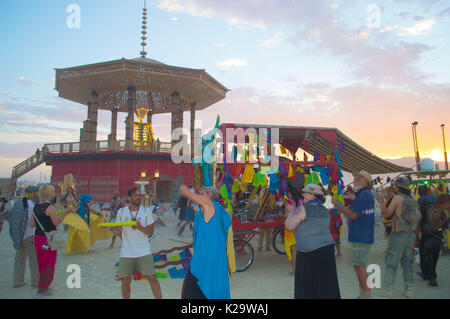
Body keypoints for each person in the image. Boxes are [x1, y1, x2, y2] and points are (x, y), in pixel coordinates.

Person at [285, 184, 340, 299]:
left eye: (306, 192)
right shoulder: (325, 210)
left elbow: (289, 226)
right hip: (327, 249)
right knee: (326, 283)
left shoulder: (303, 209)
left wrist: (290, 213)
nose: (303, 194)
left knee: (307, 286)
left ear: (313, 195)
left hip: (309, 252)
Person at [180, 185, 231, 299]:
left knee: (195, 293)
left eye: (202, 194)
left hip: (205, 259)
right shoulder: (218, 210)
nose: (200, 196)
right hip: (217, 258)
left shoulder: (210, 205)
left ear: (210, 195)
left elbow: (187, 193)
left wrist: (185, 189)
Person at [110, 187, 162, 299]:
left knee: (152, 277)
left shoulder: (146, 211)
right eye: (135, 195)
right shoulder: (121, 212)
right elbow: (119, 231)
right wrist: (109, 230)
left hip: (144, 251)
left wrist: (139, 226)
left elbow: (150, 231)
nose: (138, 197)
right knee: (125, 280)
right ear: (129, 198)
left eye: (140, 195)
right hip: (126, 252)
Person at [332, 170, 375, 299]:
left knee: (360, 266)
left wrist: (338, 204)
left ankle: (366, 294)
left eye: (357, 178)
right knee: (358, 265)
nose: (354, 179)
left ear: (364, 181)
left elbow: (353, 215)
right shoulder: (363, 195)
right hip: (361, 235)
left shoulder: (364, 195)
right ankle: (363, 293)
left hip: (361, 236)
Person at [375, 176, 418, 298]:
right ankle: (409, 289)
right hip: (409, 234)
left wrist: (381, 202)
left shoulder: (397, 198)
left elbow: (387, 213)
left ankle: (387, 290)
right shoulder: (410, 198)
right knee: (407, 261)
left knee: (391, 262)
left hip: (398, 234)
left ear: (398, 186)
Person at [30, 184, 72, 295]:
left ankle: (42, 286)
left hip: (38, 237)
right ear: (50, 194)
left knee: (41, 262)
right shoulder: (50, 207)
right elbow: (57, 222)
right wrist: (66, 213)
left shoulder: (36, 207)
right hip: (49, 238)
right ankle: (43, 287)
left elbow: (32, 224)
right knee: (49, 262)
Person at [2, 186, 39, 288]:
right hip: (29, 235)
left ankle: (18, 281)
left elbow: (10, 216)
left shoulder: (19, 203)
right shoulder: (32, 206)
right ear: (34, 194)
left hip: (19, 236)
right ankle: (35, 281)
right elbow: (32, 223)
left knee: (19, 259)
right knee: (34, 259)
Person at [418, 193, 450, 287]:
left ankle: (429, 276)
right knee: (434, 257)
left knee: (427, 256)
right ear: (443, 203)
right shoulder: (441, 211)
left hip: (426, 234)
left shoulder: (429, 208)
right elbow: (444, 225)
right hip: (437, 236)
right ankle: (431, 277)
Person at [416, 184, 435, 280]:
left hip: (425, 229)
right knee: (433, 253)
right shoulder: (435, 198)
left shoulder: (420, 200)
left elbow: (418, 217)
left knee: (424, 252)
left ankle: (425, 273)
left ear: (420, 192)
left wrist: (417, 230)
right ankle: (433, 275)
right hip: (436, 229)